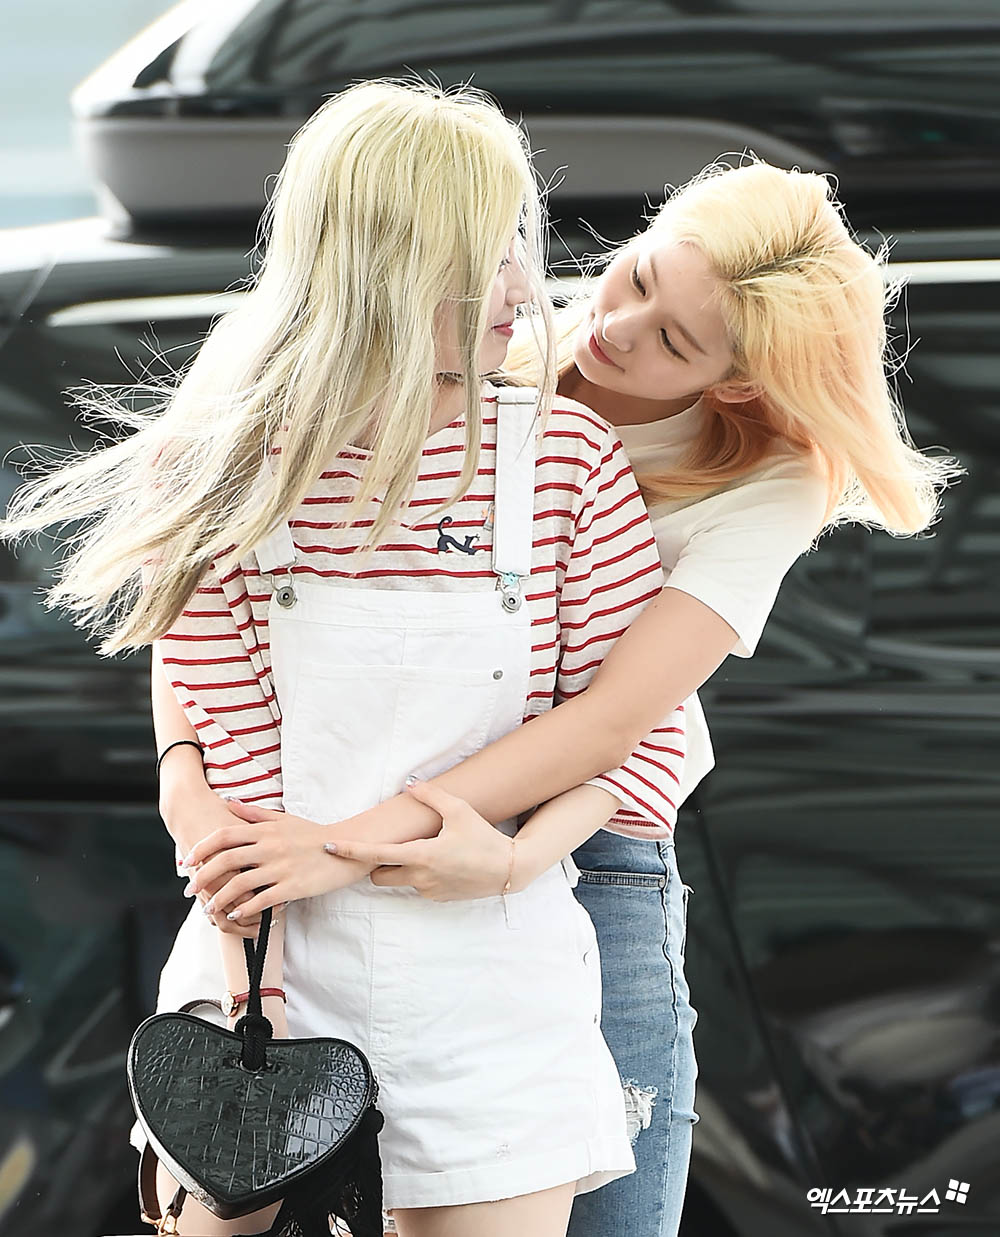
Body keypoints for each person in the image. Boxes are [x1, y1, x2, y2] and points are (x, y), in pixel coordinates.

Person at [168, 160, 956, 1237]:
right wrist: (186, 783)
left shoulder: (763, 482)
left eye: (673, 339)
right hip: (333, 821)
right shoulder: (486, 334)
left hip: (592, 839)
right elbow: (202, 596)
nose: (614, 328)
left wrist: (505, 858)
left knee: (616, 1209)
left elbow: (618, 721)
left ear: (733, 383)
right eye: (636, 276)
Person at [2, 80, 700, 1237]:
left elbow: (644, 740)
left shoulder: (563, 458)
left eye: (520, 249)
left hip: (488, 986)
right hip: (265, 964)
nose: (525, 291)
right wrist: (255, 965)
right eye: (485, 255)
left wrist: (508, 860)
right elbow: (229, 757)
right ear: (387, 262)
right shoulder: (225, 466)